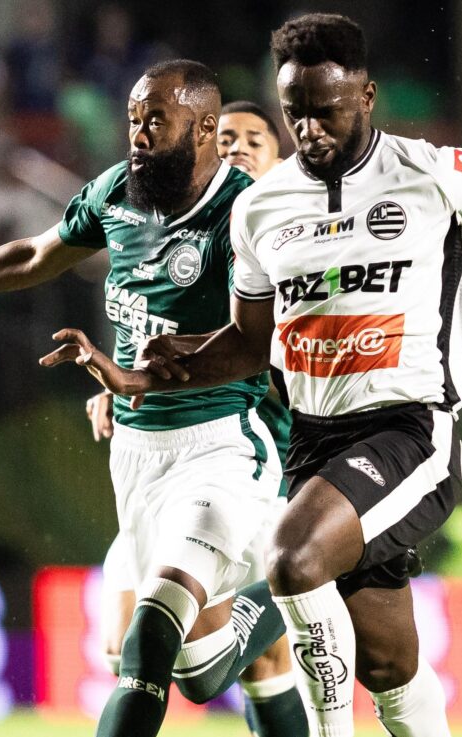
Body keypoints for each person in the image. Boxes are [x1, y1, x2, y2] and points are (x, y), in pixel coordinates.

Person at [43, 14, 462, 737]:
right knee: (387, 667)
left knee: (292, 557)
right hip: (313, 444)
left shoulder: (431, 173)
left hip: (408, 430)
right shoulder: (261, 208)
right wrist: (134, 380)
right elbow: (247, 343)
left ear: (367, 97)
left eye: (326, 111)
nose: (309, 130)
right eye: (295, 113)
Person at [0, 60, 307, 737]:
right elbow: (34, 255)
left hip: (220, 450)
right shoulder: (116, 192)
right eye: (134, 119)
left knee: (152, 640)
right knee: (179, 664)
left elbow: (256, 341)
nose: (139, 135)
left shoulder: (245, 211)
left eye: (157, 121)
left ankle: (306, 572)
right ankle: (293, 581)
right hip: (137, 455)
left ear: (203, 128)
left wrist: (133, 379)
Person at [86, 99, 304, 734]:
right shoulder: (192, 235)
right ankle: (299, 580)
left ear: (279, 163)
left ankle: (308, 571)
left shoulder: (289, 241)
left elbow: (270, 352)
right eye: (225, 137)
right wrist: (125, 385)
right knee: (123, 648)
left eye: (254, 140)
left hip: (261, 472)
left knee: (228, 664)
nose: (237, 148)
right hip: (168, 469)